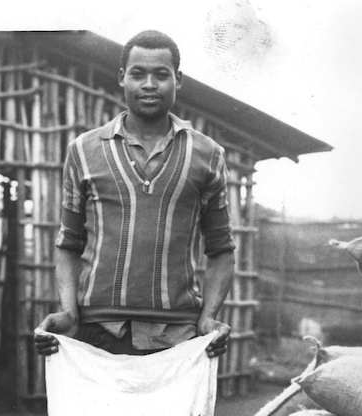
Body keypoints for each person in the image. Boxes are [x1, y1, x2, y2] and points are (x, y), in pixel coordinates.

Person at [34, 30, 235, 359]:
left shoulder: (208, 155)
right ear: (122, 78)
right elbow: (69, 244)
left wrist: (207, 318)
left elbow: (222, 250)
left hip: (178, 340)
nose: (149, 84)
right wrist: (69, 314)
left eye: (161, 74)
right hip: (96, 338)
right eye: (138, 74)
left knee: (178, 415)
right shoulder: (83, 151)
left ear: (178, 80)